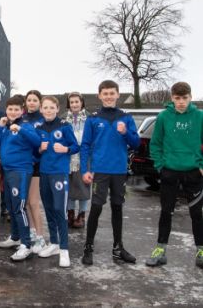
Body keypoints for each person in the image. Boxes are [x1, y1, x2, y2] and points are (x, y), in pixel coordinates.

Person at [80, 80, 140, 265]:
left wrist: (125, 133)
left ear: (117, 94)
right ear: (99, 95)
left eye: (111, 93)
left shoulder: (126, 117)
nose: (108, 96)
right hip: (100, 171)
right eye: (105, 93)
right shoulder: (93, 118)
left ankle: (118, 248)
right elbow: (85, 146)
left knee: (117, 207)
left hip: (119, 170)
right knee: (96, 208)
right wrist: (85, 169)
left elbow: (136, 143)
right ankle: (88, 247)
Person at [145, 82, 203, 268]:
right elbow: (155, 144)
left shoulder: (199, 116)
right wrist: (161, 166)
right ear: (172, 98)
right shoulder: (163, 117)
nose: (181, 102)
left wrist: (200, 165)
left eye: (184, 98)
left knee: (197, 213)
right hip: (170, 172)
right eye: (177, 98)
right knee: (165, 212)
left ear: (190, 97)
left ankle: (201, 251)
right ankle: (160, 250)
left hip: (193, 173)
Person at [0, 96, 42, 262]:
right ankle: (15, 237)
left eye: (16, 109)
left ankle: (26, 245)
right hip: (7, 171)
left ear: (22, 111)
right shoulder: (5, 127)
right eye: (10, 109)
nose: (13, 112)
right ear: (6, 111)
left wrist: (20, 130)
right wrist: (0, 128)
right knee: (12, 206)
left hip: (21, 171)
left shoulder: (25, 125)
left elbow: (37, 142)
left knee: (20, 207)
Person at [36, 96, 79, 268]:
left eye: (51, 107)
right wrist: (40, 148)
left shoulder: (64, 126)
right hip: (44, 174)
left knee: (59, 210)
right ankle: (53, 243)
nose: (48, 110)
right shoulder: (38, 128)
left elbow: (76, 146)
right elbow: (35, 151)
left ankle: (64, 249)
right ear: (41, 109)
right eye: (45, 107)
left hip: (59, 174)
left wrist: (66, 149)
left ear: (57, 108)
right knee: (48, 208)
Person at [22, 90, 47, 254]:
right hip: (23, 164)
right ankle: (31, 231)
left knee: (33, 202)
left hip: (37, 165)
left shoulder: (43, 120)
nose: (31, 103)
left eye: (34, 100)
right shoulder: (22, 119)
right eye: (29, 100)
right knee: (25, 204)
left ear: (39, 102)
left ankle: (41, 237)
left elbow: (44, 142)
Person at [64, 92, 90, 228]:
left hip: (84, 158)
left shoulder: (89, 119)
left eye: (77, 102)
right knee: (70, 188)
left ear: (82, 103)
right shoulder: (64, 120)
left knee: (83, 187)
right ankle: (70, 214)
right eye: (72, 102)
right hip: (68, 158)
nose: (74, 104)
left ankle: (82, 215)